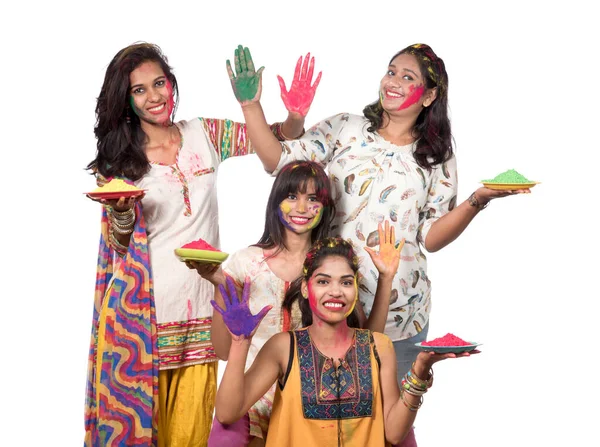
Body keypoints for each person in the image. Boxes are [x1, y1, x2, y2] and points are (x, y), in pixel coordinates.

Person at [234, 43, 530, 377]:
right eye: (391, 71)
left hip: (401, 315)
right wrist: (251, 106)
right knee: (326, 420)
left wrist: (479, 199)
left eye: (407, 77)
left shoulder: (435, 157)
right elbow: (278, 160)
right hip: (331, 305)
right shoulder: (346, 127)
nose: (394, 81)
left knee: (391, 425)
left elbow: (431, 237)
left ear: (429, 96)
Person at [83, 43, 319, 447]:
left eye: (159, 83)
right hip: (144, 319)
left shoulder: (204, 134)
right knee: (137, 434)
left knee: (193, 436)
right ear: (126, 101)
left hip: (202, 314)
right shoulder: (119, 161)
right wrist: (122, 213)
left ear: (171, 84)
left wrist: (289, 115)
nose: (154, 96)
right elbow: (119, 242)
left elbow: (275, 142)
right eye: (139, 90)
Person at [191, 160, 402, 446]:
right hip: (252, 399)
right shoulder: (246, 263)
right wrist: (220, 284)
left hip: (311, 400)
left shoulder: (331, 265)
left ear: (325, 206)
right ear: (276, 201)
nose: (302, 208)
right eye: (292, 196)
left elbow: (368, 345)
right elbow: (223, 350)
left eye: (312, 198)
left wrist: (385, 278)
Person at [212, 237, 477, 447]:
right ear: (306, 288)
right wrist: (239, 342)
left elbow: (395, 433)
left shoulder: (378, 346)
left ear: (355, 288)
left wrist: (419, 372)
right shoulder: (284, 347)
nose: (336, 291)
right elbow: (227, 413)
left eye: (346, 282)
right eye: (323, 281)